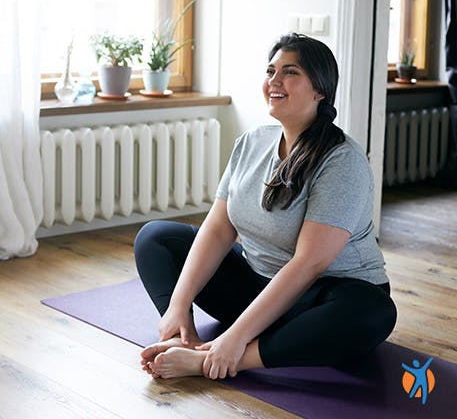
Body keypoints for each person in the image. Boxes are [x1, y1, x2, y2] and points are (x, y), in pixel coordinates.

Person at [134, 33, 397, 380]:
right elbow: (217, 228)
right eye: (271, 71)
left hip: (319, 299)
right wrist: (177, 306)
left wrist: (232, 341)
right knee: (156, 236)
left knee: (374, 312)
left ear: (320, 89)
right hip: (256, 287)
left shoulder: (342, 161)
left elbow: (308, 265)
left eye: (290, 72)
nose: (274, 81)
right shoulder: (251, 142)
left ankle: (219, 359)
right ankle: (185, 338)